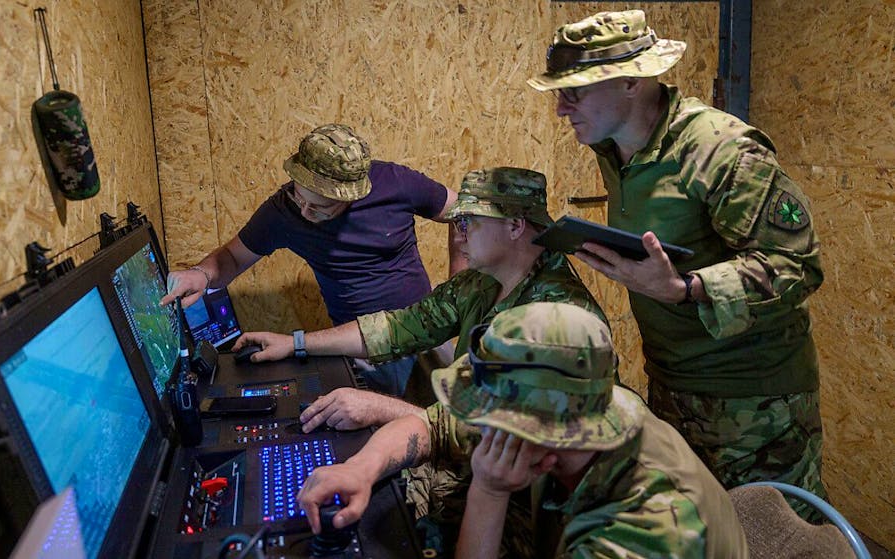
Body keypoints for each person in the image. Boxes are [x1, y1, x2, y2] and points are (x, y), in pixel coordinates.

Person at [527, 10, 826, 518]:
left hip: (755, 404)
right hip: (671, 385)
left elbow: (797, 265)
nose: (560, 108)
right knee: (696, 533)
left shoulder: (722, 151)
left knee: (773, 537)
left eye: (573, 91)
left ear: (631, 81)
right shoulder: (611, 146)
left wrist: (686, 288)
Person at [296, 302, 748, 558]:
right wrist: (361, 468)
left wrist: (488, 492)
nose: (480, 425)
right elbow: (430, 425)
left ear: (540, 432)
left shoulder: (643, 531)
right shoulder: (575, 412)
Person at [232, 166, 606, 431]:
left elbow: (489, 430)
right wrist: (295, 343)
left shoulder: (558, 317)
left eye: (469, 222)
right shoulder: (479, 283)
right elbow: (397, 328)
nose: (459, 233)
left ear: (514, 226)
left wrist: (380, 409)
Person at [161, 123, 464, 396]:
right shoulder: (283, 210)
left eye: (320, 207)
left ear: (351, 196)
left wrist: (460, 283)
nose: (305, 212)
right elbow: (231, 257)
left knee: (449, 427)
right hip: (360, 349)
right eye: (300, 197)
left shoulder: (396, 182)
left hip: (424, 335)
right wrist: (201, 274)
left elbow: (460, 211)